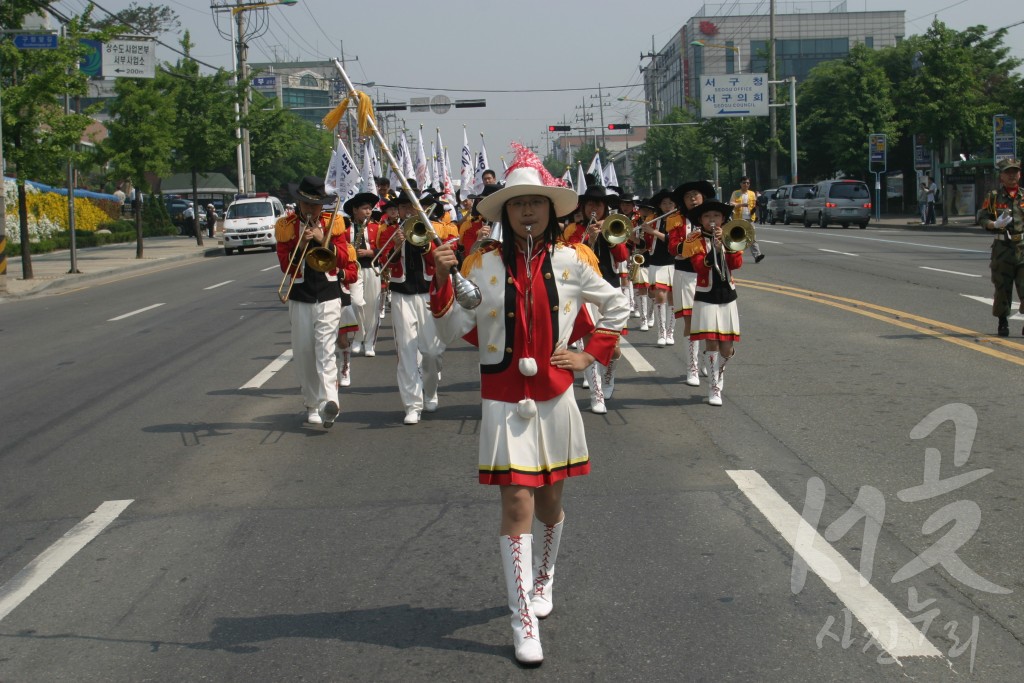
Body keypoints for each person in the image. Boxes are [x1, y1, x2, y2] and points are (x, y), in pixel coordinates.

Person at [430, 144, 629, 665]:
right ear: (504, 211)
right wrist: (443, 278)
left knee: (550, 505)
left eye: (535, 202)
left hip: (555, 397)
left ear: (550, 209)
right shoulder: (481, 264)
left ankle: (544, 576)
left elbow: (617, 304)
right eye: (517, 203)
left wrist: (589, 355)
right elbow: (451, 332)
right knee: (517, 503)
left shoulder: (570, 261)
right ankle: (522, 623)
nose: (526, 211)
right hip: (502, 399)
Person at [275, 176, 358, 426]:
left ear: (323, 205)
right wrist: (302, 243)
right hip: (301, 296)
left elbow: (344, 259)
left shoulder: (336, 223)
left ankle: (329, 402)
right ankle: (312, 402)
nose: (311, 210)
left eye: (316, 205)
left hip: (329, 294)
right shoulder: (286, 225)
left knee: (325, 350)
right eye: (306, 204)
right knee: (303, 352)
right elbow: (284, 265)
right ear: (299, 203)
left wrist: (323, 239)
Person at [376, 189, 458, 424]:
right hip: (402, 295)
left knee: (432, 352)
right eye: (403, 207)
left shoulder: (433, 230)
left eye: (411, 206)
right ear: (399, 210)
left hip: (428, 294)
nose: (407, 211)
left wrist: (424, 245)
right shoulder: (390, 232)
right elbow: (382, 265)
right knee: (406, 352)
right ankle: (412, 404)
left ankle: (430, 390)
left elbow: (441, 261)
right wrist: (396, 247)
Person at [561, 183, 629, 413]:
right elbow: (569, 258)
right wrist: (587, 240)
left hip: (609, 287)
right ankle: (596, 394)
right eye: (590, 203)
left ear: (604, 208)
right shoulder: (572, 230)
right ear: (583, 206)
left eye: (598, 204)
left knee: (613, 346)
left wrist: (608, 237)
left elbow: (622, 256)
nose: (594, 208)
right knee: (589, 340)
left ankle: (609, 373)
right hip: (584, 291)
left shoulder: (613, 227)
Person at [682, 200, 743, 406]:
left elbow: (737, 264)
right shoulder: (694, 239)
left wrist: (725, 246)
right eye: (707, 217)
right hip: (706, 294)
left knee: (727, 347)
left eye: (716, 216)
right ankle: (714, 386)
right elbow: (699, 267)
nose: (712, 221)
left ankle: (720, 371)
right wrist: (713, 251)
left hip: (727, 294)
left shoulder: (730, 235)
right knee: (711, 342)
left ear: (723, 219)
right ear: (700, 220)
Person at [670, 180, 715, 386]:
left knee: (708, 321)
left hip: (709, 275)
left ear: (703, 197)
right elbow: (674, 249)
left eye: (696, 194)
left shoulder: (713, 219)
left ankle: (707, 358)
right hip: (685, 274)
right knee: (690, 319)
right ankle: (692, 367)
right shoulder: (677, 220)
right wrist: (692, 243)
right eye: (688, 196)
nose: (693, 199)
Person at [977, 158, 1024, 337]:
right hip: (1002, 248)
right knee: (1003, 288)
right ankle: (1002, 322)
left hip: (1022, 247)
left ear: (1019, 174)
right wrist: (994, 224)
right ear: (1001, 176)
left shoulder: (1023, 195)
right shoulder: (994, 197)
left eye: (1015, 172)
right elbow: (981, 218)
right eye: (1008, 172)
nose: (1012, 175)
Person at [640, 189, 682, 347]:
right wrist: (634, 236)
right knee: (659, 296)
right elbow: (645, 244)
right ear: (659, 205)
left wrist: (653, 232)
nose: (667, 206)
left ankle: (670, 332)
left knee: (672, 298)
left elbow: (673, 240)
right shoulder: (653, 219)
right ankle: (661, 332)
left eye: (670, 203)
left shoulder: (679, 220)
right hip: (656, 262)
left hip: (674, 262)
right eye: (664, 203)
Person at [343, 191, 381, 358]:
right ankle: (359, 337)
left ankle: (369, 342)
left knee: (373, 306)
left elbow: (386, 249)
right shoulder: (346, 229)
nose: (368, 212)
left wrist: (371, 252)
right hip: (355, 270)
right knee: (356, 303)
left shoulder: (377, 228)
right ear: (355, 210)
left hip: (373, 268)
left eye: (370, 209)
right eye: (364, 208)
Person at [730, 176, 765, 262]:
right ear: (740, 184)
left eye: (748, 183)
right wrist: (741, 205)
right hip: (739, 219)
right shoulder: (736, 193)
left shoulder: (752, 193)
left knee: (752, 238)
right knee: (738, 238)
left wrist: (756, 215)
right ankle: (735, 257)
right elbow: (731, 204)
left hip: (750, 219)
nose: (746, 184)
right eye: (744, 183)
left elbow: (754, 205)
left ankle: (757, 255)